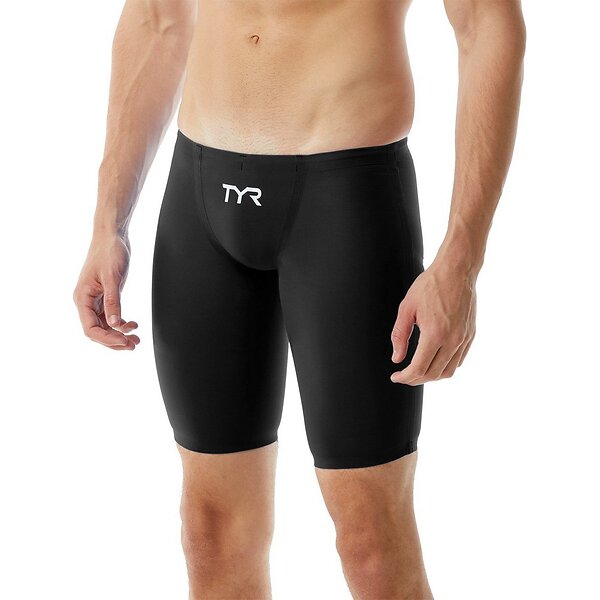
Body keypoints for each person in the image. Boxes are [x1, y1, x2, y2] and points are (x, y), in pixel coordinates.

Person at [73, 0, 526, 597]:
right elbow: (157, 18)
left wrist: (462, 261)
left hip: (345, 200)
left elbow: (486, 25)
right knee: (211, 532)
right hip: (201, 199)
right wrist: (109, 221)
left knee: (369, 540)